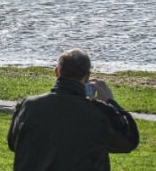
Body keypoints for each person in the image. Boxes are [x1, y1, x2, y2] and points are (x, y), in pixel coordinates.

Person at [8, 48, 139, 170]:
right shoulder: (98, 112)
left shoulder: (28, 106)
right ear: (87, 75)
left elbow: (14, 144)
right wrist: (111, 103)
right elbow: (128, 141)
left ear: (57, 72)